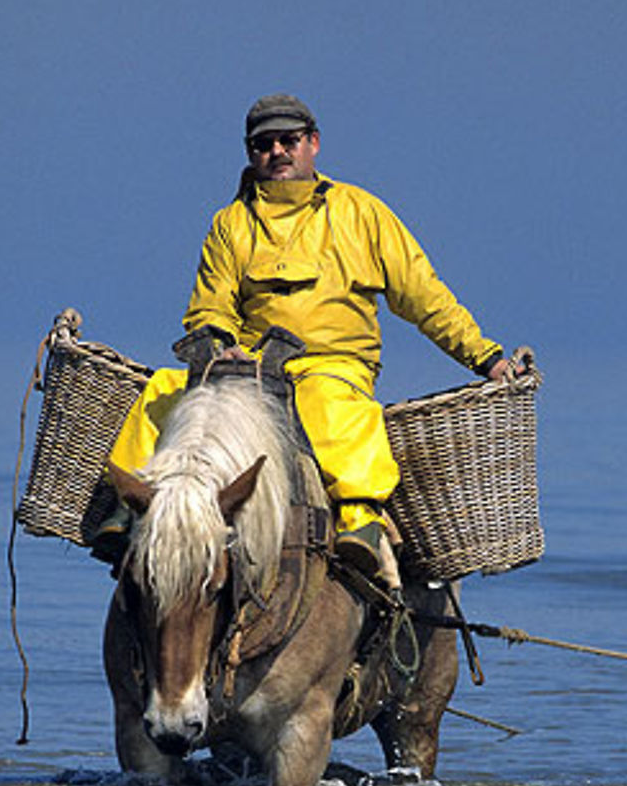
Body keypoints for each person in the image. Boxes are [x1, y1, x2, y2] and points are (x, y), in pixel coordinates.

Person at [97, 92, 519, 581]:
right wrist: (218, 344)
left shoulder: (362, 213)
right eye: (263, 144)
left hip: (334, 365)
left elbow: (425, 297)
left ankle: (361, 521)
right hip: (251, 371)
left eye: (288, 141)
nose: (276, 152)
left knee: (329, 403)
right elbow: (209, 305)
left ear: (313, 144)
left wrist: (487, 360)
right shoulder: (231, 224)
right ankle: (131, 508)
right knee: (164, 390)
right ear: (250, 153)